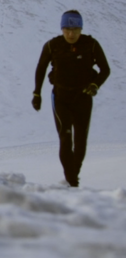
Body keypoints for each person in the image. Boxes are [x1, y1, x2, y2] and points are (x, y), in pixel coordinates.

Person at [32, 10, 110, 187]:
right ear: (62, 29)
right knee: (66, 139)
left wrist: (95, 85)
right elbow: (41, 68)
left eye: (75, 30)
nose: (71, 34)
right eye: (67, 29)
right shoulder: (53, 45)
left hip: (83, 98)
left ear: (81, 29)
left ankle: (73, 176)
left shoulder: (91, 45)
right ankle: (72, 182)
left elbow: (105, 69)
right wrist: (37, 93)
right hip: (60, 98)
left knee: (80, 142)